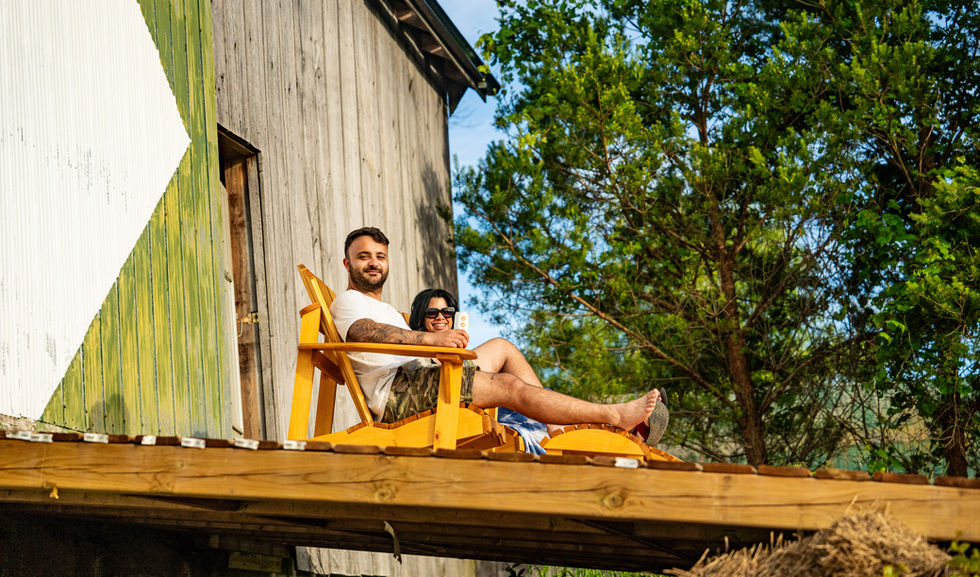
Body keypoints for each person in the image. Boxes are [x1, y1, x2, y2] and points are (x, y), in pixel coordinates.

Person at [329, 226, 665, 438]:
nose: (373, 263)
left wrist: (439, 348)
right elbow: (364, 332)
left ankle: (558, 429)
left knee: (503, 347)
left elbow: (396, 341)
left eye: (379, 256)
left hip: (422, 377)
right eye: (363, 257)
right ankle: (614, 415)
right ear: (348, 264)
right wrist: (431, 339)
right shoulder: (348, 302)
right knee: (506, 386)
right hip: (399, 395)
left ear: (387, 262)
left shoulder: (387, 309)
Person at [409, 288, 550, 454]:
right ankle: (557, 430)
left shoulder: (454, 350)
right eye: (432, 313)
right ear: (421, 318)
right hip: (446, 402)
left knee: (530, 393)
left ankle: (559, 429)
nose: (440, 317)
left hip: (470, 398)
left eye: (447, 313)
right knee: (502, 347)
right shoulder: (419, 350)